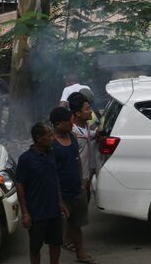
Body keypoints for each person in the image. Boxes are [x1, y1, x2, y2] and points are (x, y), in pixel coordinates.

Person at [50, 107, 98, 264]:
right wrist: (58, 199)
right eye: (68, 121)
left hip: (76, 190)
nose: (72, 123)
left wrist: (82, 182)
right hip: (61, 193)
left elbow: (76, 158)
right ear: (58, 124)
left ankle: (80, 253)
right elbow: (51, 173)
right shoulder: (51, 144)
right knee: (58, 229)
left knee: (77, 225)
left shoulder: (71, 137)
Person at [16, 122, 69, 264]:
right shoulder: (26, 159)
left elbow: (55, 177)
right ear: (39, 138)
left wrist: (60, 201)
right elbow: (19, 185)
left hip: (54, 210)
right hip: (37, 212)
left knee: (56, 243)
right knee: (35, 248)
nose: (53, 137)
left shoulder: (51, 153)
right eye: (49, 135)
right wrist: (25, 213)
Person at [68, 92, 97, 202]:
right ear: (78, 113)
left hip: (87, 172)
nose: (90, 111)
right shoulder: (72, 132)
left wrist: (95, 134)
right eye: (87, 109)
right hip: (78, 176)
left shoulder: (86, 124)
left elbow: (88, 135)